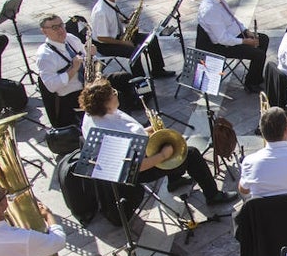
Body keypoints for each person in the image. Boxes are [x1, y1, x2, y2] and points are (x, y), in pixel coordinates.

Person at [80, 79, 235, 205]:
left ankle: (174, 180)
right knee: (191, 153)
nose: (116, 93)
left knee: (167, 141)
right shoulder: (112, 131)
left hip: (132, 156)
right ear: (106, 103)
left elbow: (134, 137)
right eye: (113, 93)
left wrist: (151, 130)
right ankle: (213, 195)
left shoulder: (93, 115)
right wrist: (162, 155)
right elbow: (134, 166)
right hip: (134, 172)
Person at [90, 0, 172, 79]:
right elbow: (102, 37)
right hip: (105, 45)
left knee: (151, 38)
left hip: (118, 37)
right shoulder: (101, 12)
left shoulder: (109, 2)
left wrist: (126, 21)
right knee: (133, 51)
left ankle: (158, 71)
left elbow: (112, 15)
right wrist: (123, 43)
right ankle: (140, 81)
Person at [35, 14, 91, 126]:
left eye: (61, 25)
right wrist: (73, 69)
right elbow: (52, 86)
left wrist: (90, 53)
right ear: (44, 32)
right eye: (55, 28)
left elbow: (85, 57)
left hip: (87, 84)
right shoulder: (45, 55)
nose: (60, 30)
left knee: (121, 78)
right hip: (71, 96)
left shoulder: (71, 38)